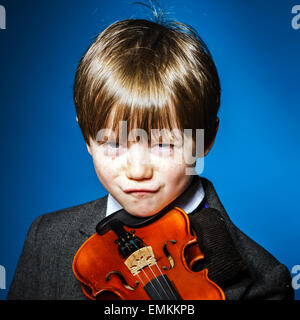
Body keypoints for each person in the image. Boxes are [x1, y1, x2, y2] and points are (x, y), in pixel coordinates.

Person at [7, 17, 294, 300]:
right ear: (87, 138)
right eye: (115, 142)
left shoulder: (264, 282)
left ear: (205, 140)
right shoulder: (46, 239)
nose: (138, 169)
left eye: (164, 144)